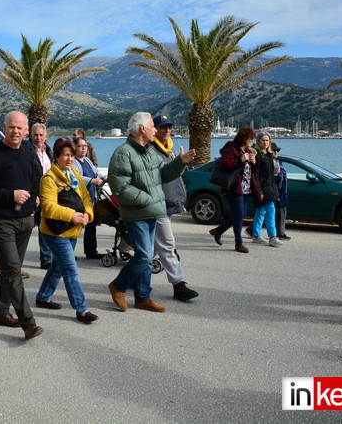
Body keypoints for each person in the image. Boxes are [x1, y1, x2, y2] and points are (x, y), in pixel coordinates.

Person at [106, 112, 195, 313]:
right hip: (136, 214)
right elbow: (120, 188)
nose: (155, 129)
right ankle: (118, 286)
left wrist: (180, 162)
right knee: (146, 256)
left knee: (144, 256)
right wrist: (148, 200)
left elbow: (164, 174)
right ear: (141, 129)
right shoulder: (123, 153)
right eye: (152, 126)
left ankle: (142, 297)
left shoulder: (150, 152)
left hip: (152, 212)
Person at [0, 111, 43, 340]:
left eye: (20, 128)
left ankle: (0, 313)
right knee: (13, 270)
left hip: (26, 219)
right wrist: (10, 195)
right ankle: (28, 323)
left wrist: (34, 198)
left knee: (10, 269)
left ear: (26, 131)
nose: (15, 131)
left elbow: (37, 177)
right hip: (1, 220)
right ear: (4, 128)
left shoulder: (29, 152)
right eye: (12, 127)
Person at [35, 138, 98, 324]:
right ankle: (81, 309)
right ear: (56, 157)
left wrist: (87, 214)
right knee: (70, 270)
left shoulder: (73, 175)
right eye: (65, 155)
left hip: (71, 230)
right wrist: (72, 215)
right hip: (55, 233)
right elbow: (48, 207)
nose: (70, 159)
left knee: (57, 267)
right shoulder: (49, 179)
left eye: (72, 155)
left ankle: (42, 297)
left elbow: (86, 197)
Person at [150, 114, 199, 302]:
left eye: (169, 126)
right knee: (167, 244)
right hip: (158, 204)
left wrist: (182, 162)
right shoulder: (152, 151)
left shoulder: (168, 149)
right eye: (163, 127)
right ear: (154, 129)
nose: (167, 130)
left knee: (153, 247)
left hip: (169, 203)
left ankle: (134, 277)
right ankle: (179, 284)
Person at [208, 126, 262, 254]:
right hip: (233, 187)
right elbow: (225, 165)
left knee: (240, 214)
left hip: (246, 188)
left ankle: (218, 231)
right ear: (243, 138)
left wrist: (254, 162)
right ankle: (238, 242)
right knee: (239, 214)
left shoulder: (247, 150)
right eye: (250, 138)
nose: (252, 141)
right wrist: (240, 160)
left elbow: (252, 171)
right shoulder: (230, 149)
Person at [72, 136, 106, 259]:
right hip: (79, 200)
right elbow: (76, 177)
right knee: (75, 227)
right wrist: (91, 180)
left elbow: (96, 172)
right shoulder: (73, 162)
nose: (83, 148)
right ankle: (68, 252)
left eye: (85, 146)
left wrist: (105, 178)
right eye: (80, 146)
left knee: (91, 226)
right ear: (74, 147)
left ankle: (91, 251)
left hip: (91, 199)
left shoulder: (87, 160)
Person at [249, 133, 282, 247]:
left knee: (261, 211)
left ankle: (256, 235)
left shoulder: (269, 155)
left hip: (270, 186)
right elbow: (256, 173)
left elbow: (271, 174)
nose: (265, 142)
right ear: (258, 141)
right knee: (271, 210)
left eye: (267, 140)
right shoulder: (258, 155)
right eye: (263, 140)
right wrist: (258, 190)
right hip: (263, 187)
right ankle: (272, 236)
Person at [29, 123, 54, 269]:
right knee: (24, 228)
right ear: (31, 135)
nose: (38, 138)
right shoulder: (26, 150)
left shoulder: (49, 151)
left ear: (46, 136)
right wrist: (33, 194)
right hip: (32, 195)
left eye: (40, 135)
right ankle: (3, 259)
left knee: (44, 227)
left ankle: (46, 259)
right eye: (36, 135)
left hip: (47, 194)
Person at [271, 142, 291, 240]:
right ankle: (279, 233)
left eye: (277, 150)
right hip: (275, 191)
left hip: (282, 191)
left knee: (271, 211)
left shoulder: (277, 162)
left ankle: (252, 229)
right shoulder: (270, 163)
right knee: (276, 212)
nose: (276, 152)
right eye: (274, 150)